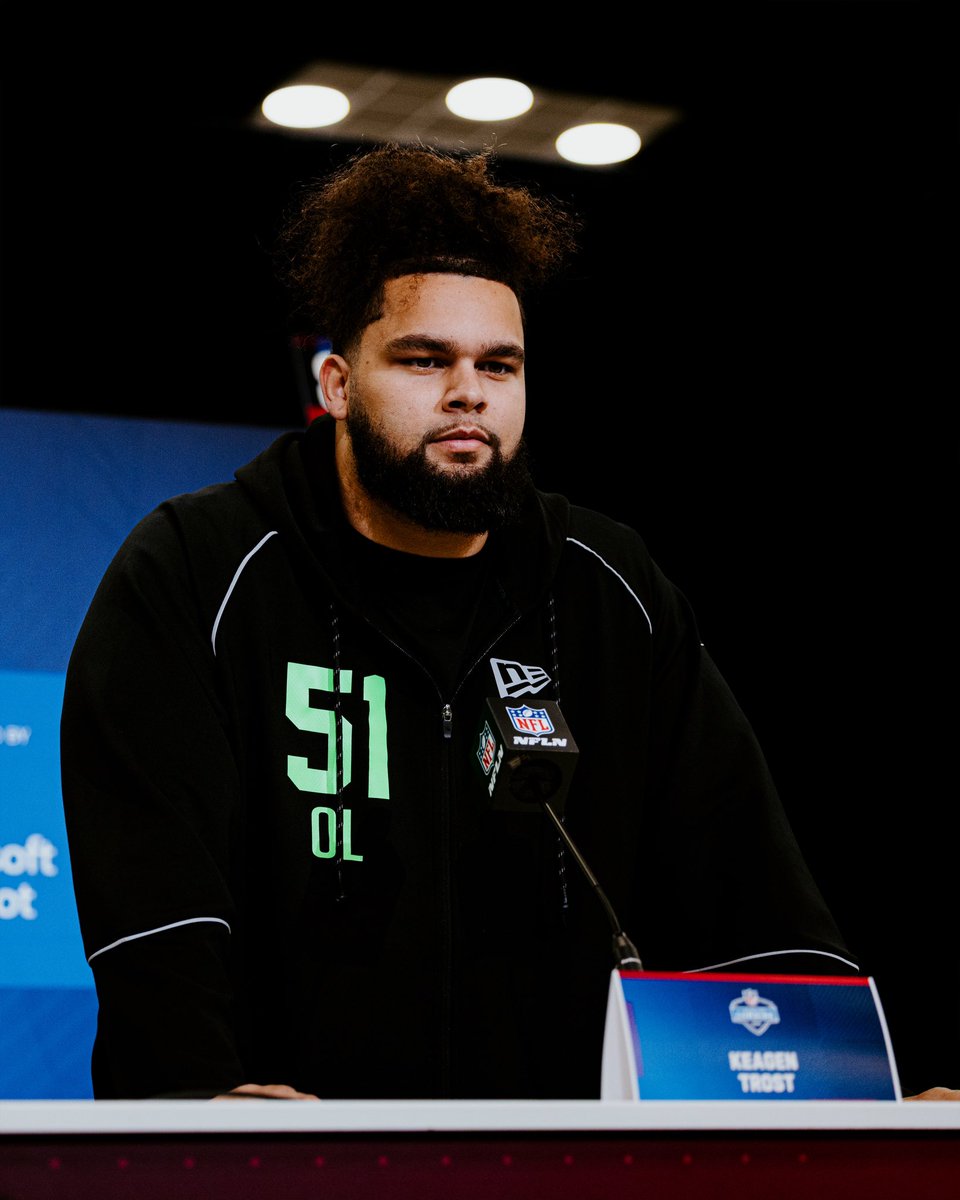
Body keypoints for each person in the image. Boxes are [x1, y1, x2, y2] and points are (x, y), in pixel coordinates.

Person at [61, 144, 861, 1102]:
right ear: (336, 385)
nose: (468, 392)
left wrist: (851, 1093)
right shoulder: (199, 571)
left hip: (565, 1159)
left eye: (499, 365)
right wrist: (197, 1108)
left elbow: (750, 888)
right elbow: (155, 909)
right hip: (291, 1155)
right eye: (424, 359)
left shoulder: (610, 589)